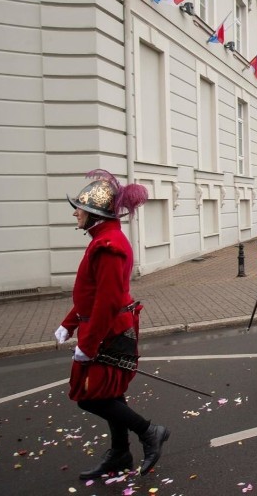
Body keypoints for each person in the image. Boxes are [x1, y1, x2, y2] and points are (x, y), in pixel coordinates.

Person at [56, 169, 169, 479]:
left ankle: (149, 431)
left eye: (79, 208)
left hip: (109, 333)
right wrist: (69, 324)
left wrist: (87, 344)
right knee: (111, 394)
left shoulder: (109, 246)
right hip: (103, 330)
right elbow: (90, 294)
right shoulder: (102, 239)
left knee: (89, 397)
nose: (75, 213)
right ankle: (120, 453)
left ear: (93, 213)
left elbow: (107, 302)